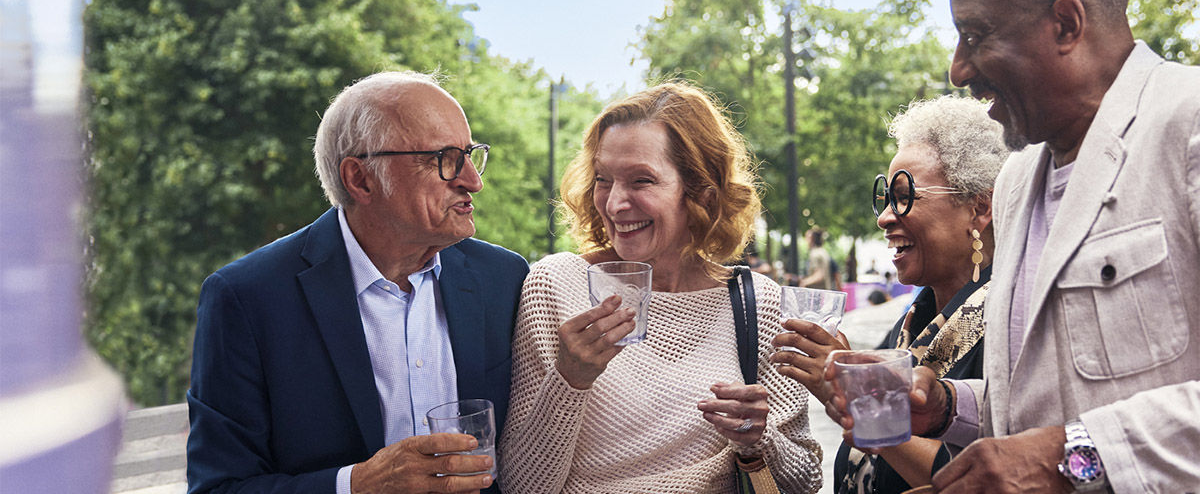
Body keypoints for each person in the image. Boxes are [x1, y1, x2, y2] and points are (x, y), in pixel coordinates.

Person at [826, 0, 1200, 493]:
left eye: (975, 36)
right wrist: (947, 404)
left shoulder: (1187, 124)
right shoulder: (1020, 177)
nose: (957, 70)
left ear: (1066, 25)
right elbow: (1043, 396)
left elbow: (1061, 442)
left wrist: (1069, 460)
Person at [186, 71, 529, 494]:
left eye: (470, 155)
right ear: (360, 179)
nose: (472, 181)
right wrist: (359, 484)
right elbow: (218, 487)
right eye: (444, 158)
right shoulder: (246, 298)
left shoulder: (505, 278)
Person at [498, 83, 822, 493]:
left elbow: (806, 481)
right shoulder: (557, 286)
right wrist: (570, 378)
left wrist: (757, 440)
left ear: (701, 194)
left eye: (641, 181)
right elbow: (521, 486)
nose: (614, 203)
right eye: (603, 179)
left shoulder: (759, 303)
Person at [774, 96, 1008, 493]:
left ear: (979, 208)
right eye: (885, 198)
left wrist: (861, 407)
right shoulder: (917, 319)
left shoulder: (1010, 321)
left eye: (904, 196)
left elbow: (986, 477)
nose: (884, 217)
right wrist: (845, 379)